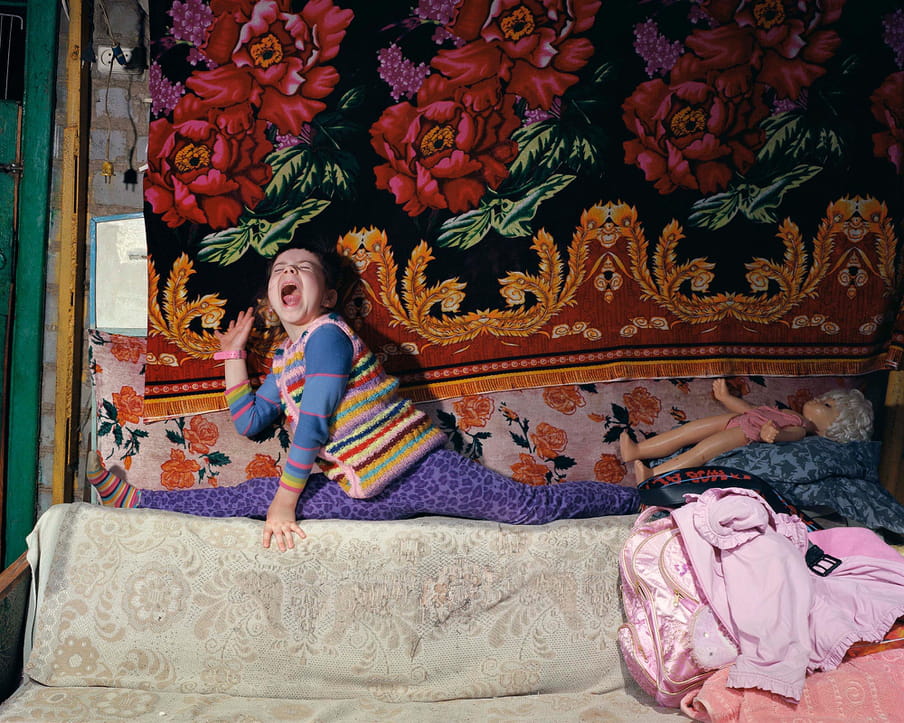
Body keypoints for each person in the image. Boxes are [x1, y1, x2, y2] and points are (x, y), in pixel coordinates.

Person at [88, 233, 638, 550]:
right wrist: (234, 358)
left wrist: (287, 504)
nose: (290, 272)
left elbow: (316, 422)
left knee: (523, 508)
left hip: (420, 468)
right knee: (255, 496)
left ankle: (635, 500)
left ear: (326, 296)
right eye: (282, 270)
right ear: (273, 299)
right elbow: (252, 423)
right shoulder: (285, 358)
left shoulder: (328, 337)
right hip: (365, 487)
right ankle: (135, 500)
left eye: (303, 269)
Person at [620, 378, 873, 484]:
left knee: (699, 453)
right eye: (825, 398)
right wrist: (727, 398)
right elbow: (753, 409)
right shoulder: (791, 413)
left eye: (827, 405)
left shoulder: (801, 428)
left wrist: (772, 435)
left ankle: (653, 474)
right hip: (738, 419)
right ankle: (638, 450)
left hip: (744, 434)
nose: (820, 400)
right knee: (688, 431)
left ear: (830, 430)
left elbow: (787, 436)